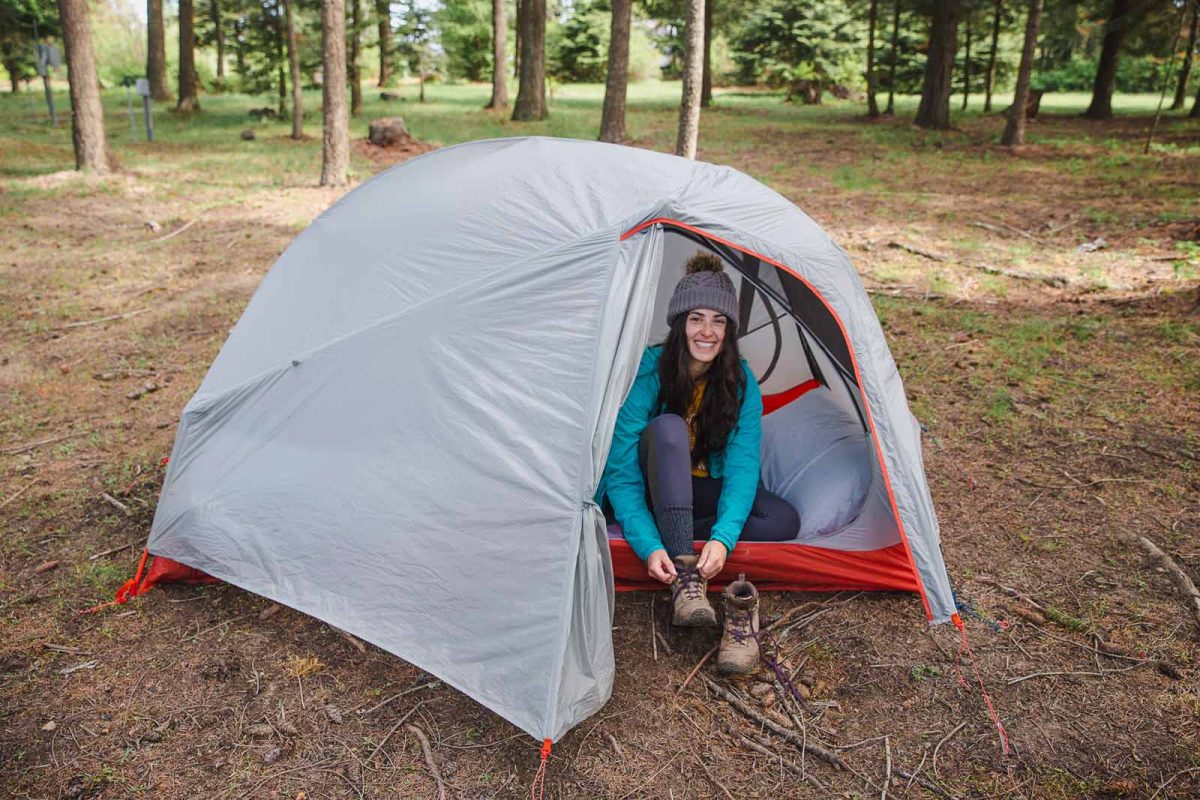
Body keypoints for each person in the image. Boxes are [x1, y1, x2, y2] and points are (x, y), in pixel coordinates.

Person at [597, 252, 800, 672]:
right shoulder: (649, 371)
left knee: (781, 520)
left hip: (698, 491)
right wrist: (649, 544)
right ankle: (684, 575)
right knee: (669, 427)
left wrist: (723, 539)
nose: (707, 331)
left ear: (729, 330)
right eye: (696, 318)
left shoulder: (739, 382)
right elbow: (620, 468)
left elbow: (743, 467)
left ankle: (692, 550)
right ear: (679, 323)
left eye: (718, 321)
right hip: (652, 489)